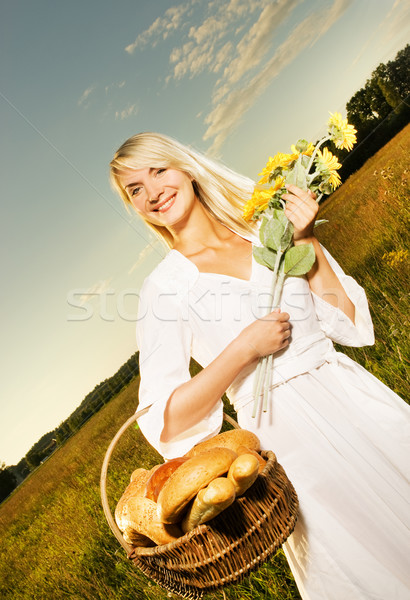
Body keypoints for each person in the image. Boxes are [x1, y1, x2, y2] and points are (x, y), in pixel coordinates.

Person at [110, 132, 410, 600]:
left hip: (355, 403)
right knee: (359, 569)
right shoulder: (163, 289)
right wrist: (242, 350)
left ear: (185, 167)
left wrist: (306, 239)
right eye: (134, 190)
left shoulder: (265, 230)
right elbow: (164, 419)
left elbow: (351, 325)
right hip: (287, 443)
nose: (151, 193)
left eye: (158, 171)